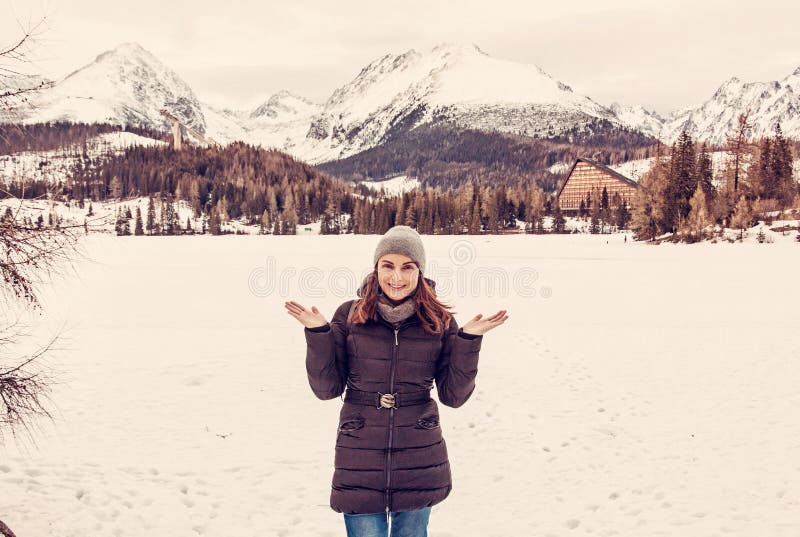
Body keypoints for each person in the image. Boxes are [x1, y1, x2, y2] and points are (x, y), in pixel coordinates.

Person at [285, 225, 508, 537]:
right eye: (387, 266)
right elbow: (326, 389)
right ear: (376, 269)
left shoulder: (439, 321)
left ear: (420, 271)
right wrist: (319, 334)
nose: (397, 277)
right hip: (359, 452)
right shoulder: (350, 315)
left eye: (407, 267)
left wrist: (467, 341)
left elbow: (453, 396)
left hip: (419, 452)